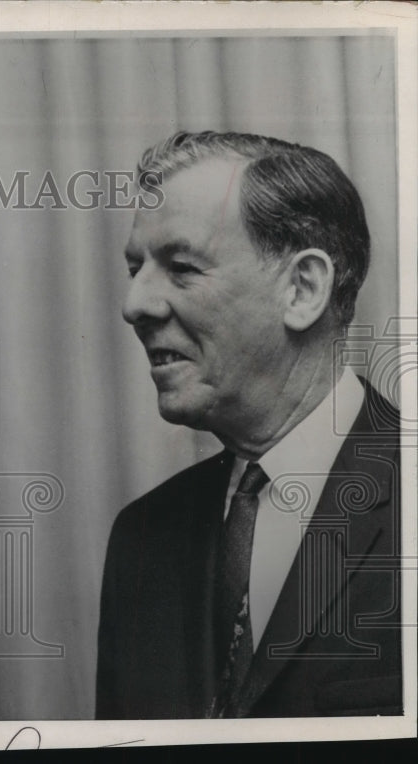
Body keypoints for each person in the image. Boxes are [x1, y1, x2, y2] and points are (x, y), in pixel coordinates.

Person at [96, 131, 402, 719]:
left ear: (303, 288)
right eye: (135, 269)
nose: (134, 305)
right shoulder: (141, 540)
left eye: (180, 268)